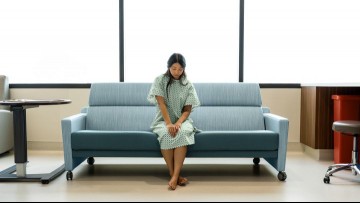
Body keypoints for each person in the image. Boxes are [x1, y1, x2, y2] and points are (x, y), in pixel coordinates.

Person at [147, 53, 200, 190]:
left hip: (183, 121)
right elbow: (161, 104)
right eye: (174, 68)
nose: (177, 72)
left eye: (180, 69)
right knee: (167, 134)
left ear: (184, 69)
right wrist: (169, 123)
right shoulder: (160, 80)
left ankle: (175, 176)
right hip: (163, 120)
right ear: (168, 67)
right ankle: (174, 174)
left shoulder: (188, 85)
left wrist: (178, 123)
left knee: (181, 134)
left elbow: (187, 110)